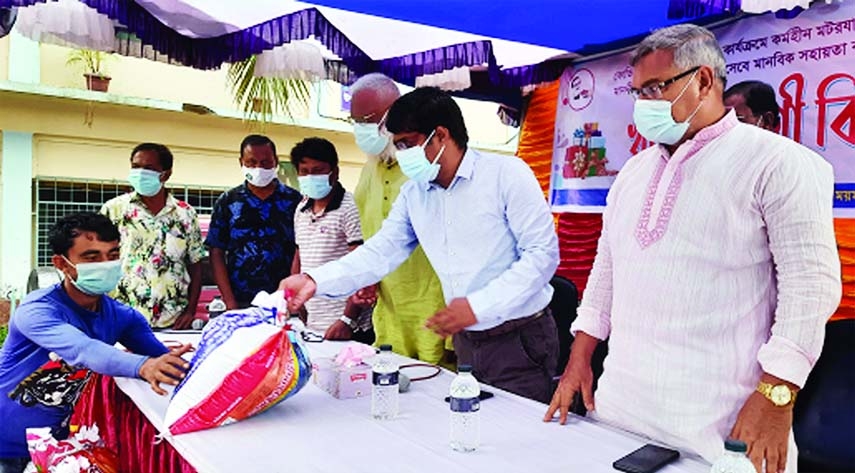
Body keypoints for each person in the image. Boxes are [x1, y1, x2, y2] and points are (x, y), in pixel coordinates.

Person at [544, 24, 841, 473]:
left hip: (723, 429)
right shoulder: (633, 173)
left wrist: (776, 397)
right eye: (638, 92)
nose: (643, 103)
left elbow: (811, 288)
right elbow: (606, 273)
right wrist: (579, 359)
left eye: (655, 88)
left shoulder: (781, 163)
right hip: (621, 414)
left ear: (703, 81)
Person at [282, 87, 560, 403]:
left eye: (407, 144)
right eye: (397, 145)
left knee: (522, 437)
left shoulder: (506, 174)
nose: (401, 155)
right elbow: (380, 252)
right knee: (472, 430)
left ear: (440, 135)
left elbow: (542, 255)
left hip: (518, 338)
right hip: (467, 339)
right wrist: (314, 281)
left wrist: (477, 306)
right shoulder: (415, 195)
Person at [0, 213, 191, 473]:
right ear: (62, 264)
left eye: (112, 255)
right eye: (91, 257)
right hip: (5, 447)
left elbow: (159, 360)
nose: (106, 264)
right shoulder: (37, 311)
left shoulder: (123, 316)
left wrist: (180, 363)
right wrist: (143, 366)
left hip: (53, 448)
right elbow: (83, 350)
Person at [349, 73, 450, 366]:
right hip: (390, 312)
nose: (360, 130)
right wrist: (365, 278)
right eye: (354, 121)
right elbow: (369, 237)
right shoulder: (370, 169)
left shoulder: (426, 167)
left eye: (367, 120)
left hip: (436, 312)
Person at [101, 143, 206, 329]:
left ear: (166, 174)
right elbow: (100, 261)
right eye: (135, 167)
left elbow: (196, 266)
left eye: (148, 168)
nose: (140, 173)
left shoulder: (185, 214)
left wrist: (190, 311)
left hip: (172, 320)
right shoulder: (114, 210)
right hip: (122, 317)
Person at [289, 137, 375, 343]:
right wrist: (295, 299)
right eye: (304, 171)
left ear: (334, 172)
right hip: (313, 322)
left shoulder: (350, 207)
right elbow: (300, 255)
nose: (311, 177)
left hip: (344, 325)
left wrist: (347, 319)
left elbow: (360, 264)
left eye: (318, 170)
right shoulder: (301, 209)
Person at [206, 135, 302, 309]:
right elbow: (216, 253)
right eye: (251, 162)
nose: (258, 168)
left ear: (276, 162)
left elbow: (301, 250)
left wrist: (294, 299)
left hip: (285, 301)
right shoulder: (228, 201)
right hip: (240, 301)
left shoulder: (294, 201)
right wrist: (230, 303)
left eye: (265, 162)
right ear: (241, 162)